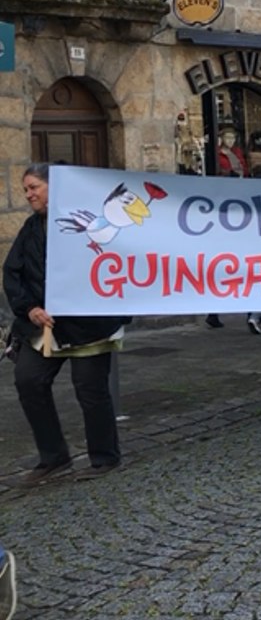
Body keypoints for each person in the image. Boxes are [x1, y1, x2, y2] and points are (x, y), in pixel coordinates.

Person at [5, 163, 127, 483]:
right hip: (45, 326)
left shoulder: (84, 223)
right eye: (26, 189)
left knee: (90, 389)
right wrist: (29, 308)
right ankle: (54, 457)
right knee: (29, 380)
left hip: (90, 326)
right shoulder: (31, 229)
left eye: (34, 188)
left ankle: (104, 457)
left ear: (53, 187)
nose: (28, 194)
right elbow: (12, 273)